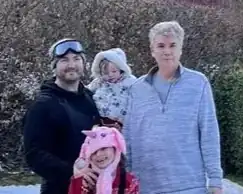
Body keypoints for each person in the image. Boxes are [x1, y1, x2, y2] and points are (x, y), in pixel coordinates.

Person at [123, 21, 223, 194]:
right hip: (145, 186)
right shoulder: (137, 89)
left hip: (189, 186)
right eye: (161, 46)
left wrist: (215, 180)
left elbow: (209, 133)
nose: (167, 51)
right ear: (152, 50)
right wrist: (126, 176)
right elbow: (129, 136)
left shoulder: (198, 83)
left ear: (180, 49)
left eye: (172, 45)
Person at [22, 39, 102, 194]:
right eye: (64, 60)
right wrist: (72, 172)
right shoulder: (43, 105)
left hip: (93, 187)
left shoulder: (89, 98)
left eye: (76, 59)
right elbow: (34, 154)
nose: (71, 65)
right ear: (54, 66)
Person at [69, 126, 140, 194]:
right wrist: (77, 179)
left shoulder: (129, 181)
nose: (98, 154)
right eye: (94, 152)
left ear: (115, 150)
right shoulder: (84, 179)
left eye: (103, 148)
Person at [87, 48, 137, 129]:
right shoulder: (99, 82)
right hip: (101, 122)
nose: (110, 75)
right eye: (105, 73)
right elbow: (86, 91)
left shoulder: (130, 81)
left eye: (114, 71)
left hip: (122, 123)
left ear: (121, 69)